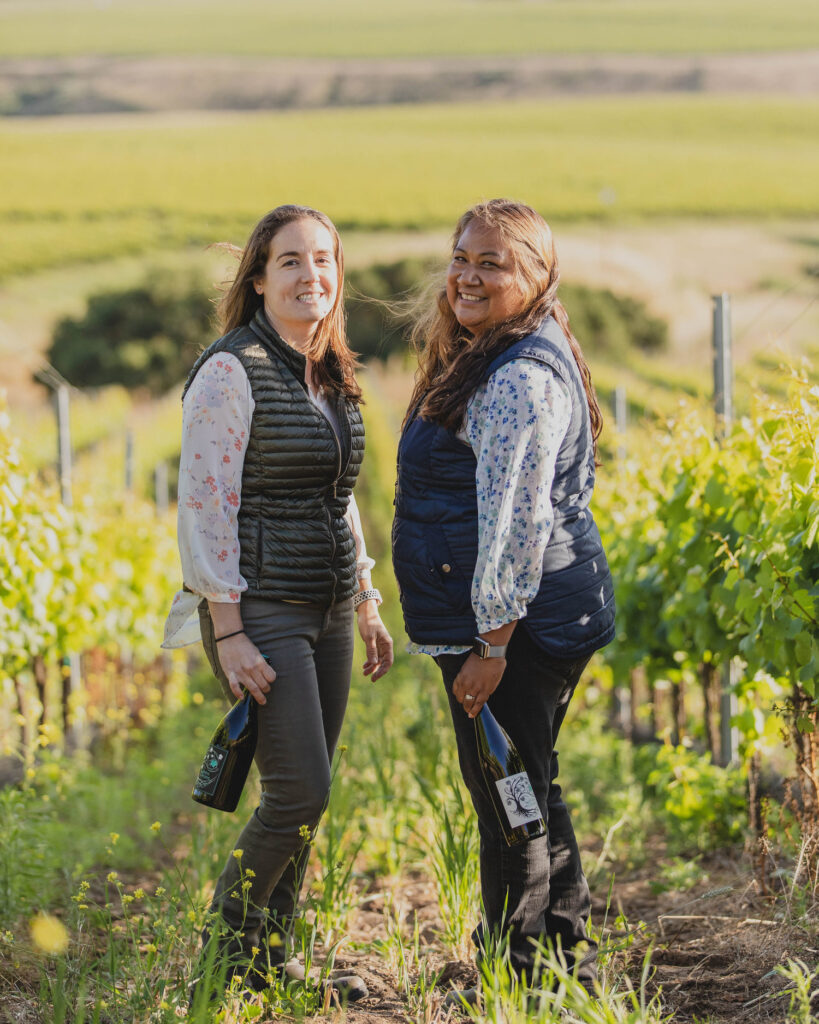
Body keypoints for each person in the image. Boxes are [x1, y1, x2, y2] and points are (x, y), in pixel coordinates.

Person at [163, 204, 393, 1000]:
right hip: (259, 608)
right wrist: (225, 628)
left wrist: (365, 594)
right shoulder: (232, 370)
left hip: (327, 607)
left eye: (324, 259)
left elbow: (339, 497)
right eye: (291, 261)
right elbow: (203, 505)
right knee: (301, 791)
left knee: (306, 790)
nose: (311, 276)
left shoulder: (325, 370)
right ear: (258, 277)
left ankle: (269, 959)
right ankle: (222, 955)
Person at [392, 199, 615, 996]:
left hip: (516, 627)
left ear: (537, 276)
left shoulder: (516, 375)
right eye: (461, 256)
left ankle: (514, 978)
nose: (467, 274)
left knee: (506, 798)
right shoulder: (506, 348)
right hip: (539, 610)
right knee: (530, 783)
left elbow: (516, 524)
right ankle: (563, 957)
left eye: (493, 262)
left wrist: (491, 647)